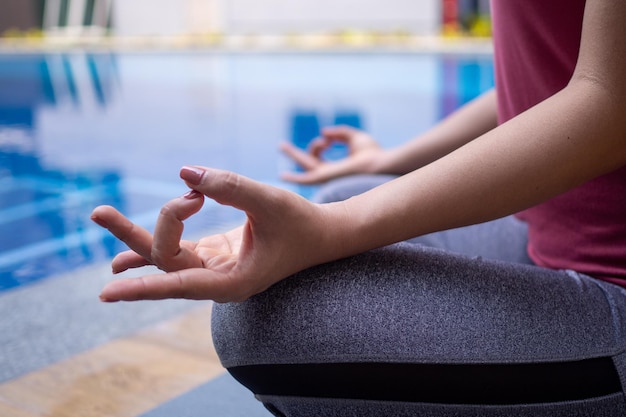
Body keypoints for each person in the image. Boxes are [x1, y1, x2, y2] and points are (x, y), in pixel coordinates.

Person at [91, 0, 626, 415]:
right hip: (542, 238)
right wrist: (393, 161)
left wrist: (330, 230)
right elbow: (553, 78)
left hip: (615, 280)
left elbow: (609, 102)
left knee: (266, 325)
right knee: (339, 203)